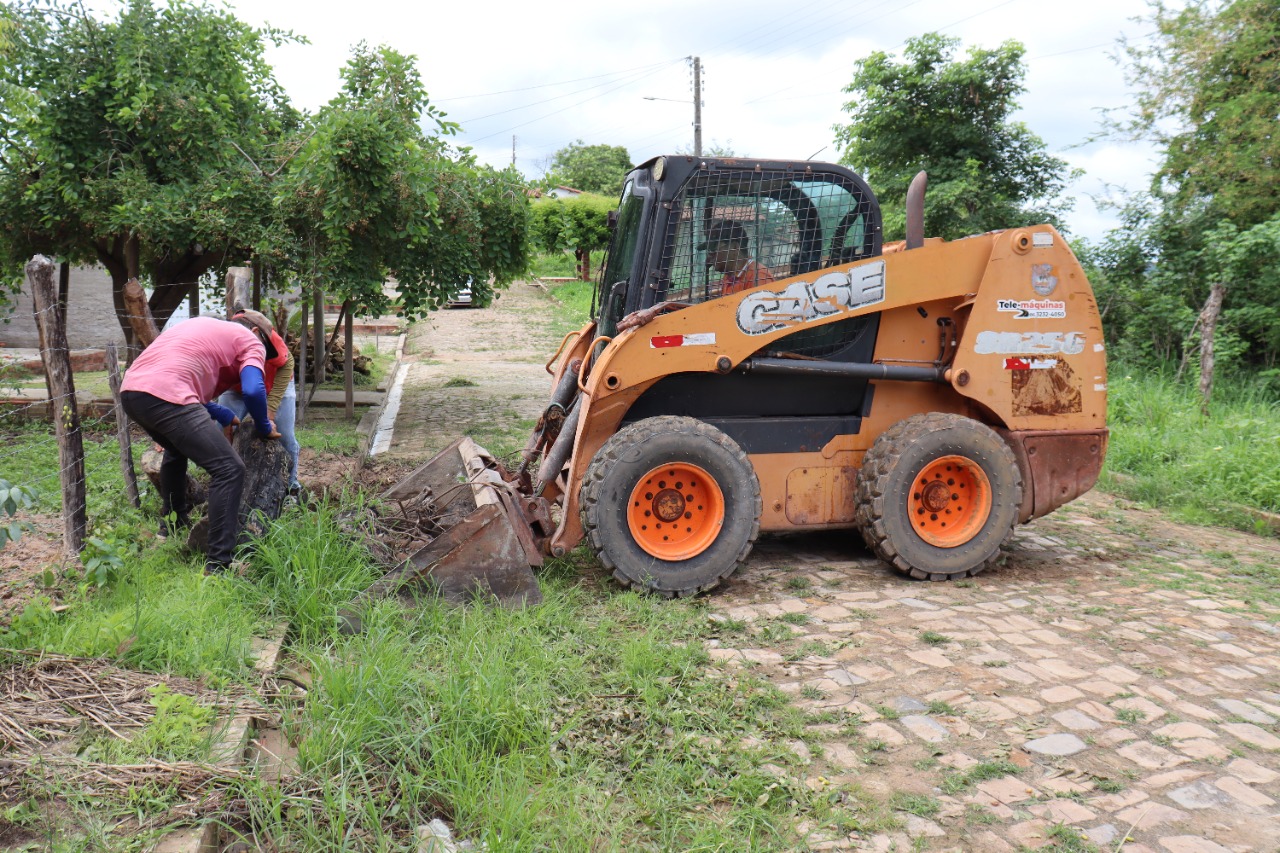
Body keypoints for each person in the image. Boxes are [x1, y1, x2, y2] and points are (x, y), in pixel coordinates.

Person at [120, 313, 279, 574]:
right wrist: (263, 426)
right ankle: (218, 565)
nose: (262, 353)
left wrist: (223, 414)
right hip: (167, 395)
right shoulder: (250, 341)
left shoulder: (196, 326)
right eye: (264, 346)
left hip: (132, 393)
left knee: (176, 448)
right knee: (229, 469)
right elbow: (253, 390)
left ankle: (171, 526)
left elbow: (174, 374)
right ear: (255, 331)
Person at [218, 310, 301, 494]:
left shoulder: (269, 337)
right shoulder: (222, 340)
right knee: (220, 431)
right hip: (236, 387)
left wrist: (270, 410)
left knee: (285, 435)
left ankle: (292, 487)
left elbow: (286, 364)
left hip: (276, 384)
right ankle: (224, 486)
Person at [702, 219, 774, 296]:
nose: (709, 256)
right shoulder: (729, 276)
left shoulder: (758, 277)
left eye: (713, 250)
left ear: (735, 247)